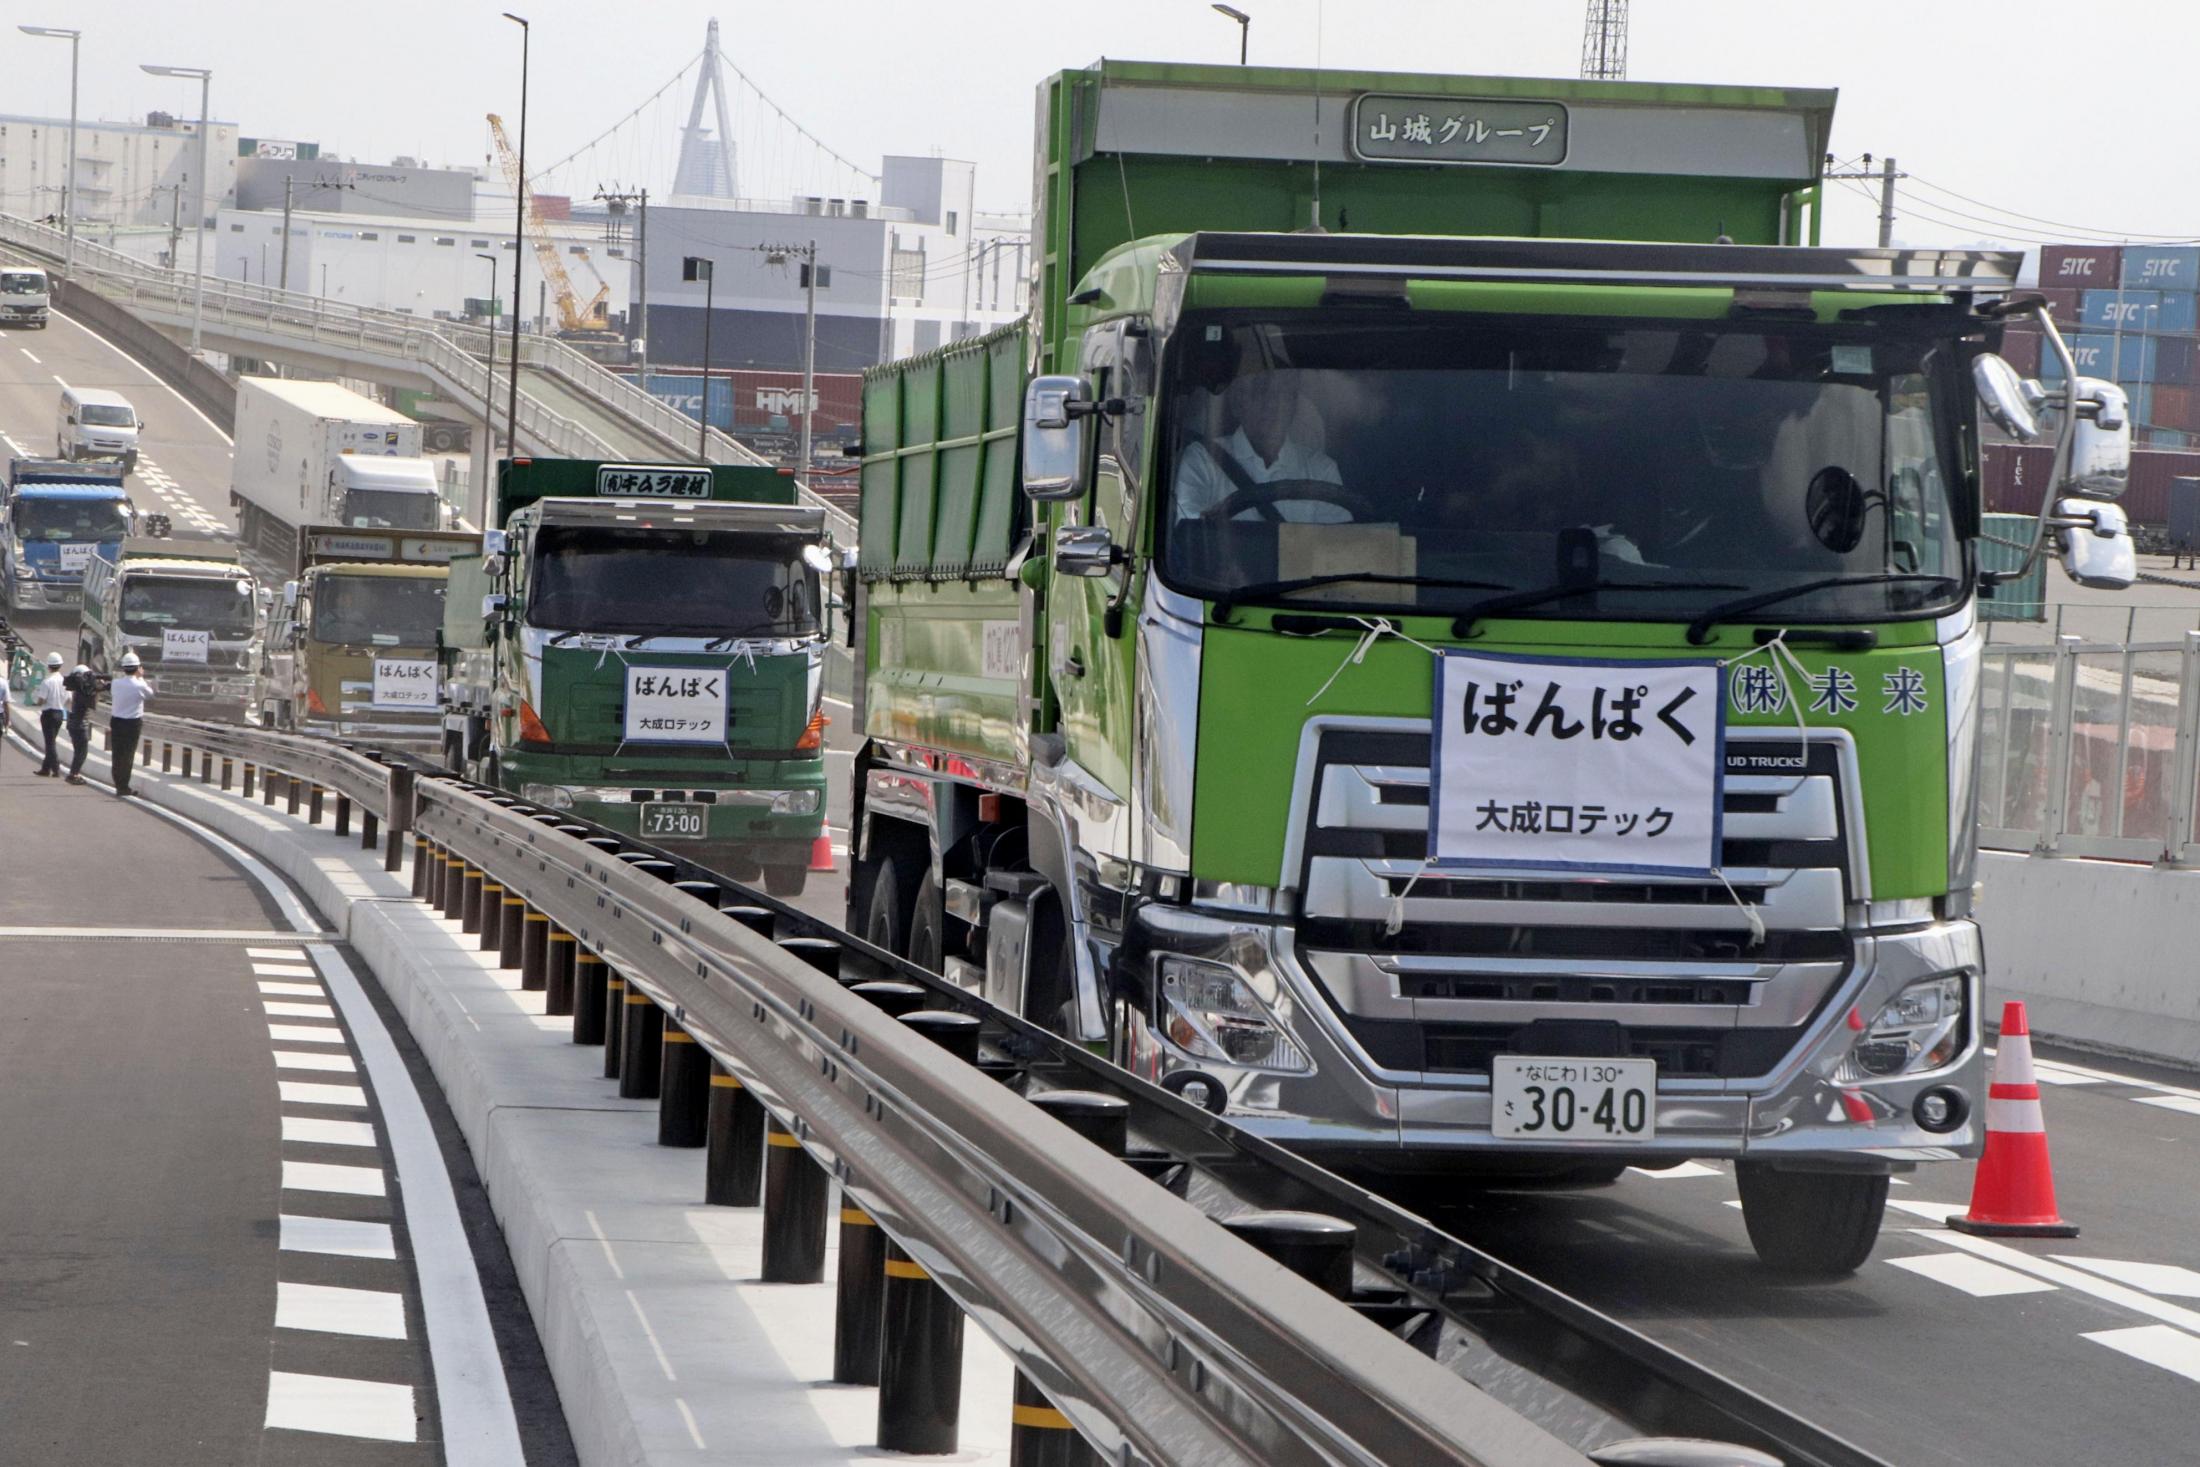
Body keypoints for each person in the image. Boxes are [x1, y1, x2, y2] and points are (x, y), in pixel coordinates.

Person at [1174, 371, 1346, 523]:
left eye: (1283, 392)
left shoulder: (1322, 471)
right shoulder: (1202, 460)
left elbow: (1336, 547)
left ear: (1293, 406)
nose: (1272, 404)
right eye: (1261, 390)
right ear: (1237, 403)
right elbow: (1192, 533)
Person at [108, 651, 152, 798]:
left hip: (116, 721)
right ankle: (124, 786)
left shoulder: (116, 683)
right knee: (128, 755)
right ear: (138, 668)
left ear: (123, 668)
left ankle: (118, 783)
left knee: (117, 753)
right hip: (133, 723)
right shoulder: (140, 685)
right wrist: (142, 678)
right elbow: (151, 695)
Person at [61, 662, 99, 786]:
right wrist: (97, 688)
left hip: (73, 724)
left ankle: (74, 773)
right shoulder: (83, 693)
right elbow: (93, 704)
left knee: (79, 751)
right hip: (80, 726)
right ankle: (74, 774)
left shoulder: (77, 691)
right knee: (82, 752)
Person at [34, 652, 67, 777]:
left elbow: (41, 700)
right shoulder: (64, 680)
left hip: (48, 713)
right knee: (51, 740)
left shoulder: (47, 681)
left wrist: (36, 701)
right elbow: (68, 699)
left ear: (48, 666)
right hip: (59, 713)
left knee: (49, 743)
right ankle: (45, 768)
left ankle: (56, 768)